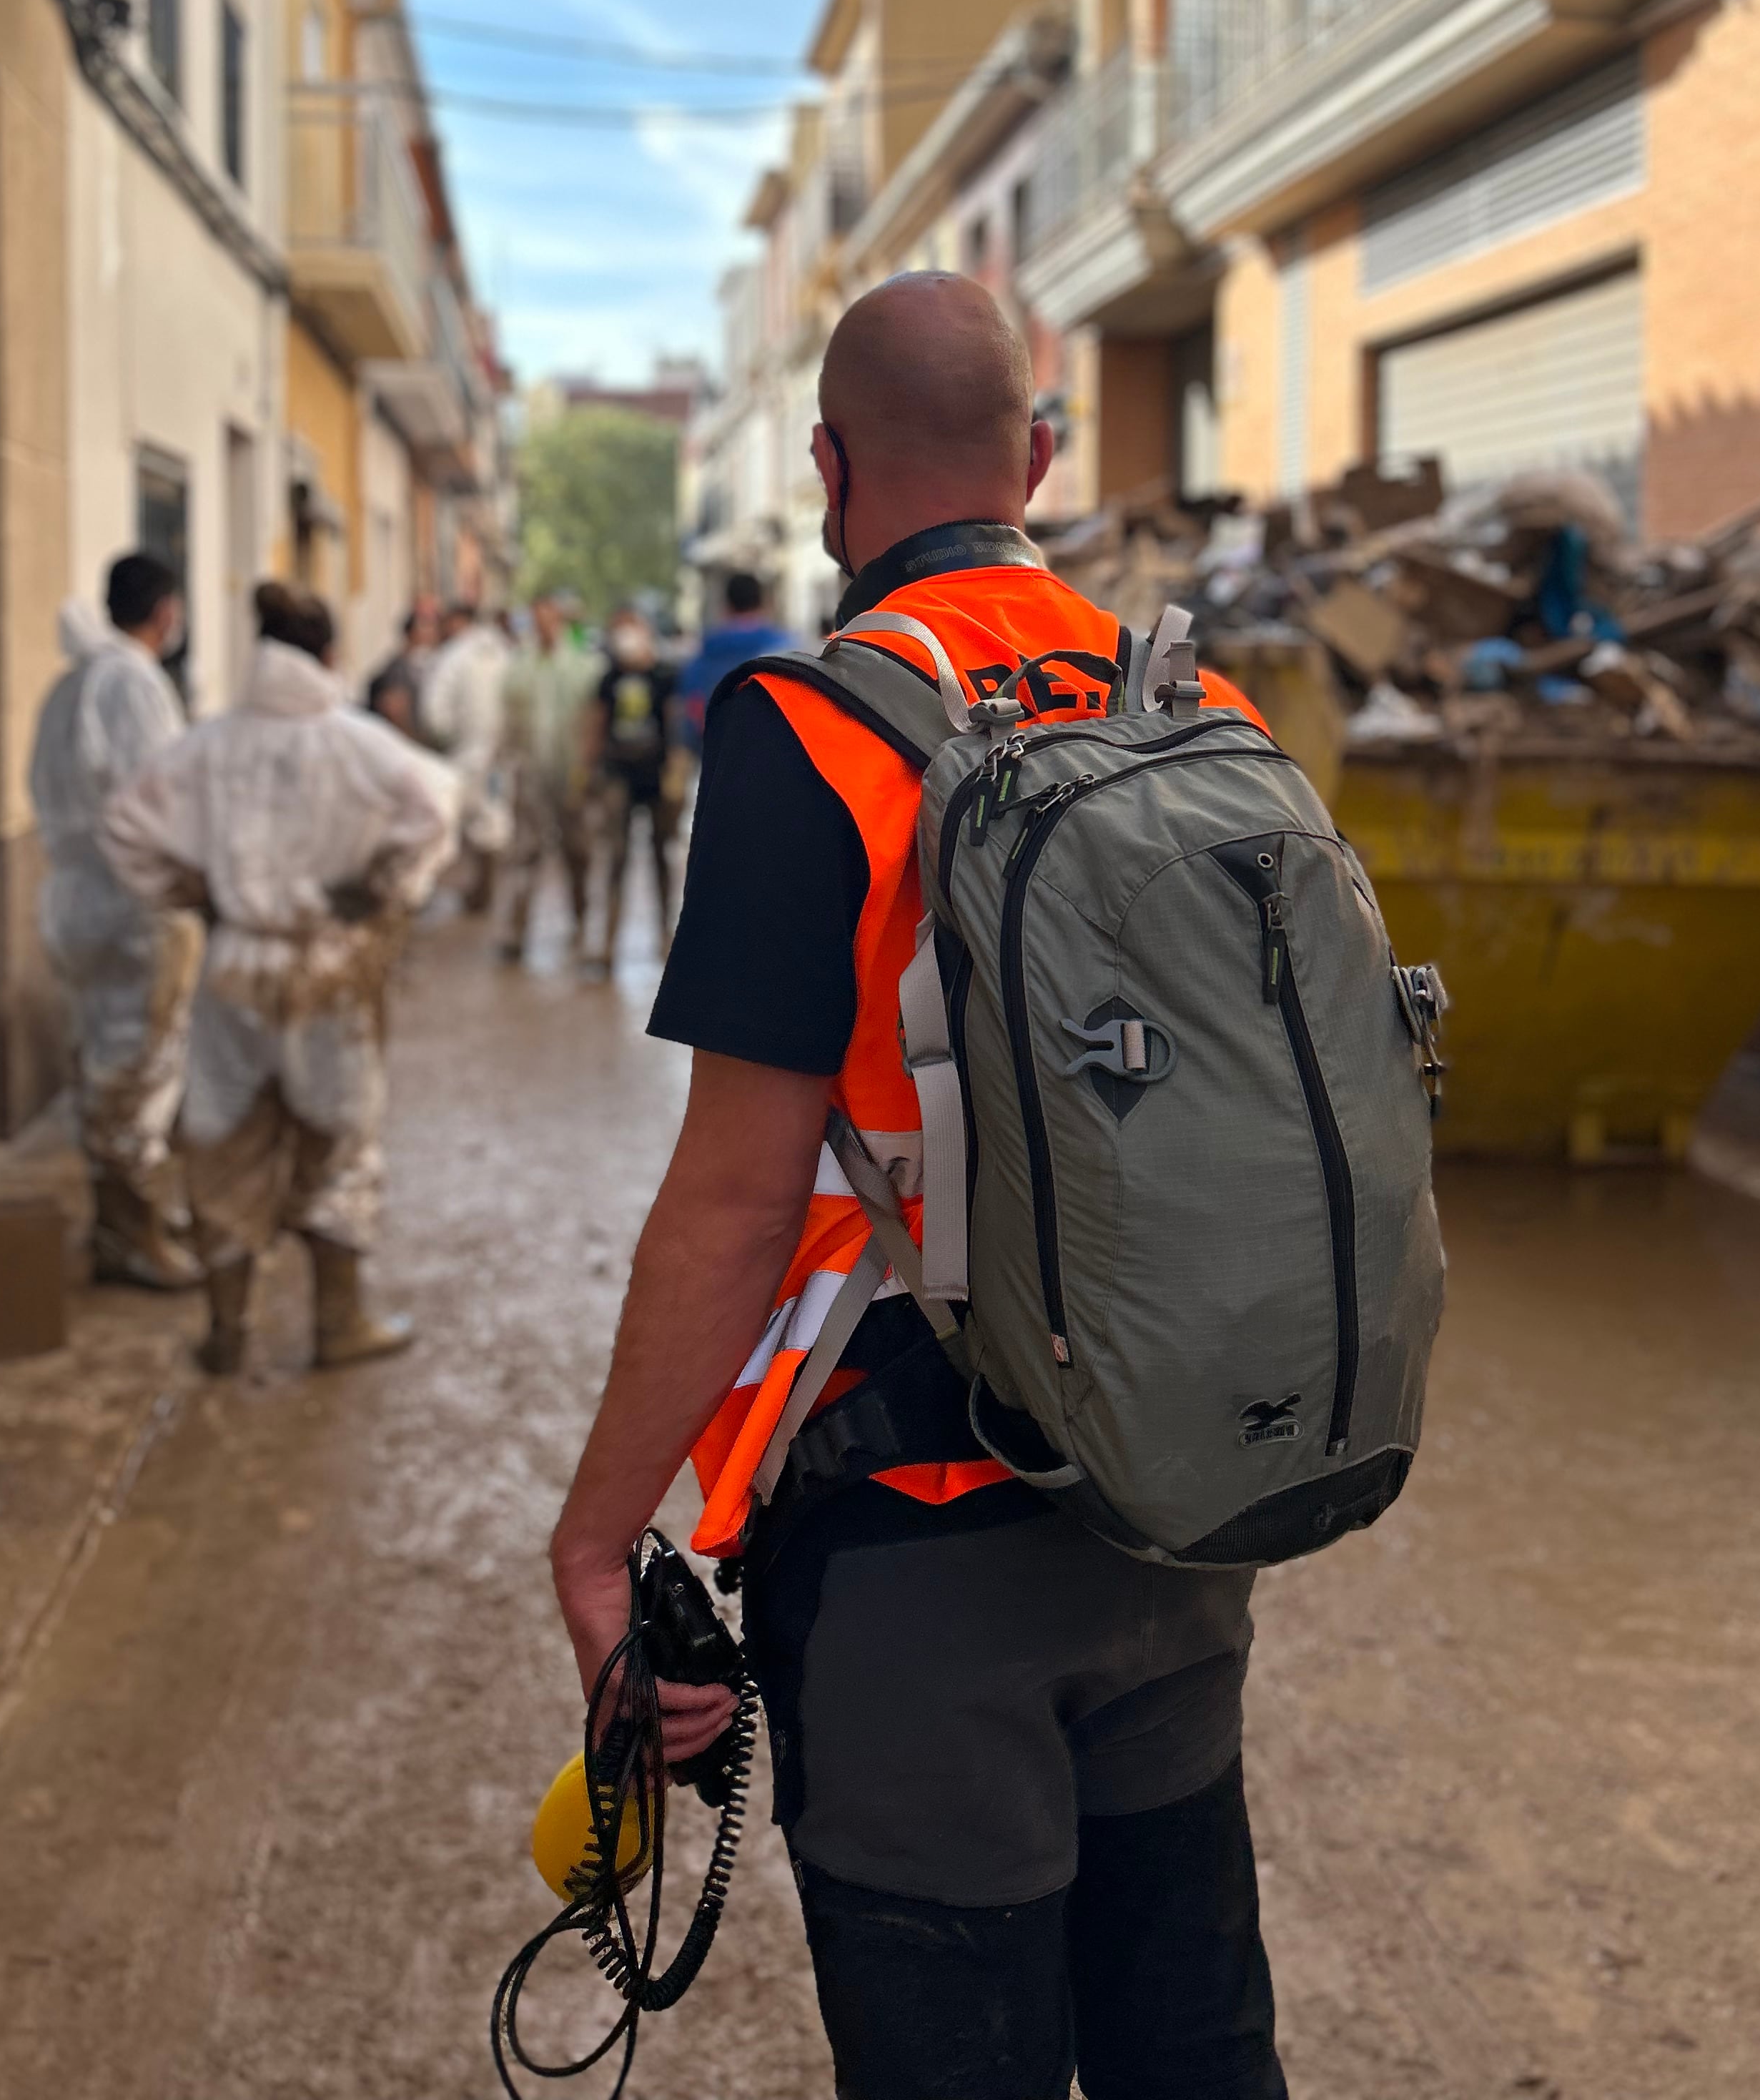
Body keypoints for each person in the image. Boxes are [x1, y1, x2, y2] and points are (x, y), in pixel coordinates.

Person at [552, 275, 1286, 2100]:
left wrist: (598, 1535)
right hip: (1173, 1500)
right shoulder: (1202, 703)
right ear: (1039, 458)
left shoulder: (812, 736)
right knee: (1194, 2047)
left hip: (915, 1537)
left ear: (824, 466)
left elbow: (732, 1206)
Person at [99, 582, 458, 1378]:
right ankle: (339, 1323)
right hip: (327, 966)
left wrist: (189, 892)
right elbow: (438, 804)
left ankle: (227, 1334)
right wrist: (382, 888)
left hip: (234, 963)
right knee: (338, 1142)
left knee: (223, 1143)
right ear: (328, 654)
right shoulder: (356, 742)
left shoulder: (210, 743)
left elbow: (124, 823)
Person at [27, 553, 203, 1290]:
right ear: (166, 612)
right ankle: (134, 1235)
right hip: (132, 906)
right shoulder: (134, 684)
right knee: (141, 1066)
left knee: (100, 1057)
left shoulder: (68, 686)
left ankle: (119, 1222)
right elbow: (157, 800)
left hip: (74, 900)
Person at [499, 592, 598, 967]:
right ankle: (516, 932)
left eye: (549, 618)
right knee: (525, 853)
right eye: (536, 617)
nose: (542, 625)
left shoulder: (582, 667)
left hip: (571, 775)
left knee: (578, 852)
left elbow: (591, 719)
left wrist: (588, 772)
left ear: (560, 622)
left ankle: (581, 921)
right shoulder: (520, 667)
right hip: (531, 774)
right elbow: (508, 719)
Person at [583, 607, 682, 980]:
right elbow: (596, 722)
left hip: (655, 777)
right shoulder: (608, 678)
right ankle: (608, 942)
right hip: (618, 777)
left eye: (631, 629)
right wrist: (587, 771)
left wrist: (676, 769)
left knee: (661, 857)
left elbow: (674, 722)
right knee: (615, 858)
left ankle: (666, 936)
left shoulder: (663, 675)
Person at [422, 601, 515, 912]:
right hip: (500, 754)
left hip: (463, 755)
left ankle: (456, 890)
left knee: (451, 819)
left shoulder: (452, 658)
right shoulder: (504, 654)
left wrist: (444, 742)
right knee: (492, 817)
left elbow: (434, 712)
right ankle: (483, 888)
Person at [676, 568, 789, 759]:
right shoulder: (787, 649)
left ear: (726, 605)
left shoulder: (705, 654)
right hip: (772, 758)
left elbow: (689, 713)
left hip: (716, 759)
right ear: (763, 603)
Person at [365, 598, 440, 736]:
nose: (431, 632)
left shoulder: (427, 664)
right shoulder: (397, 669)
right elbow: (395, 708)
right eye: (426, 625)